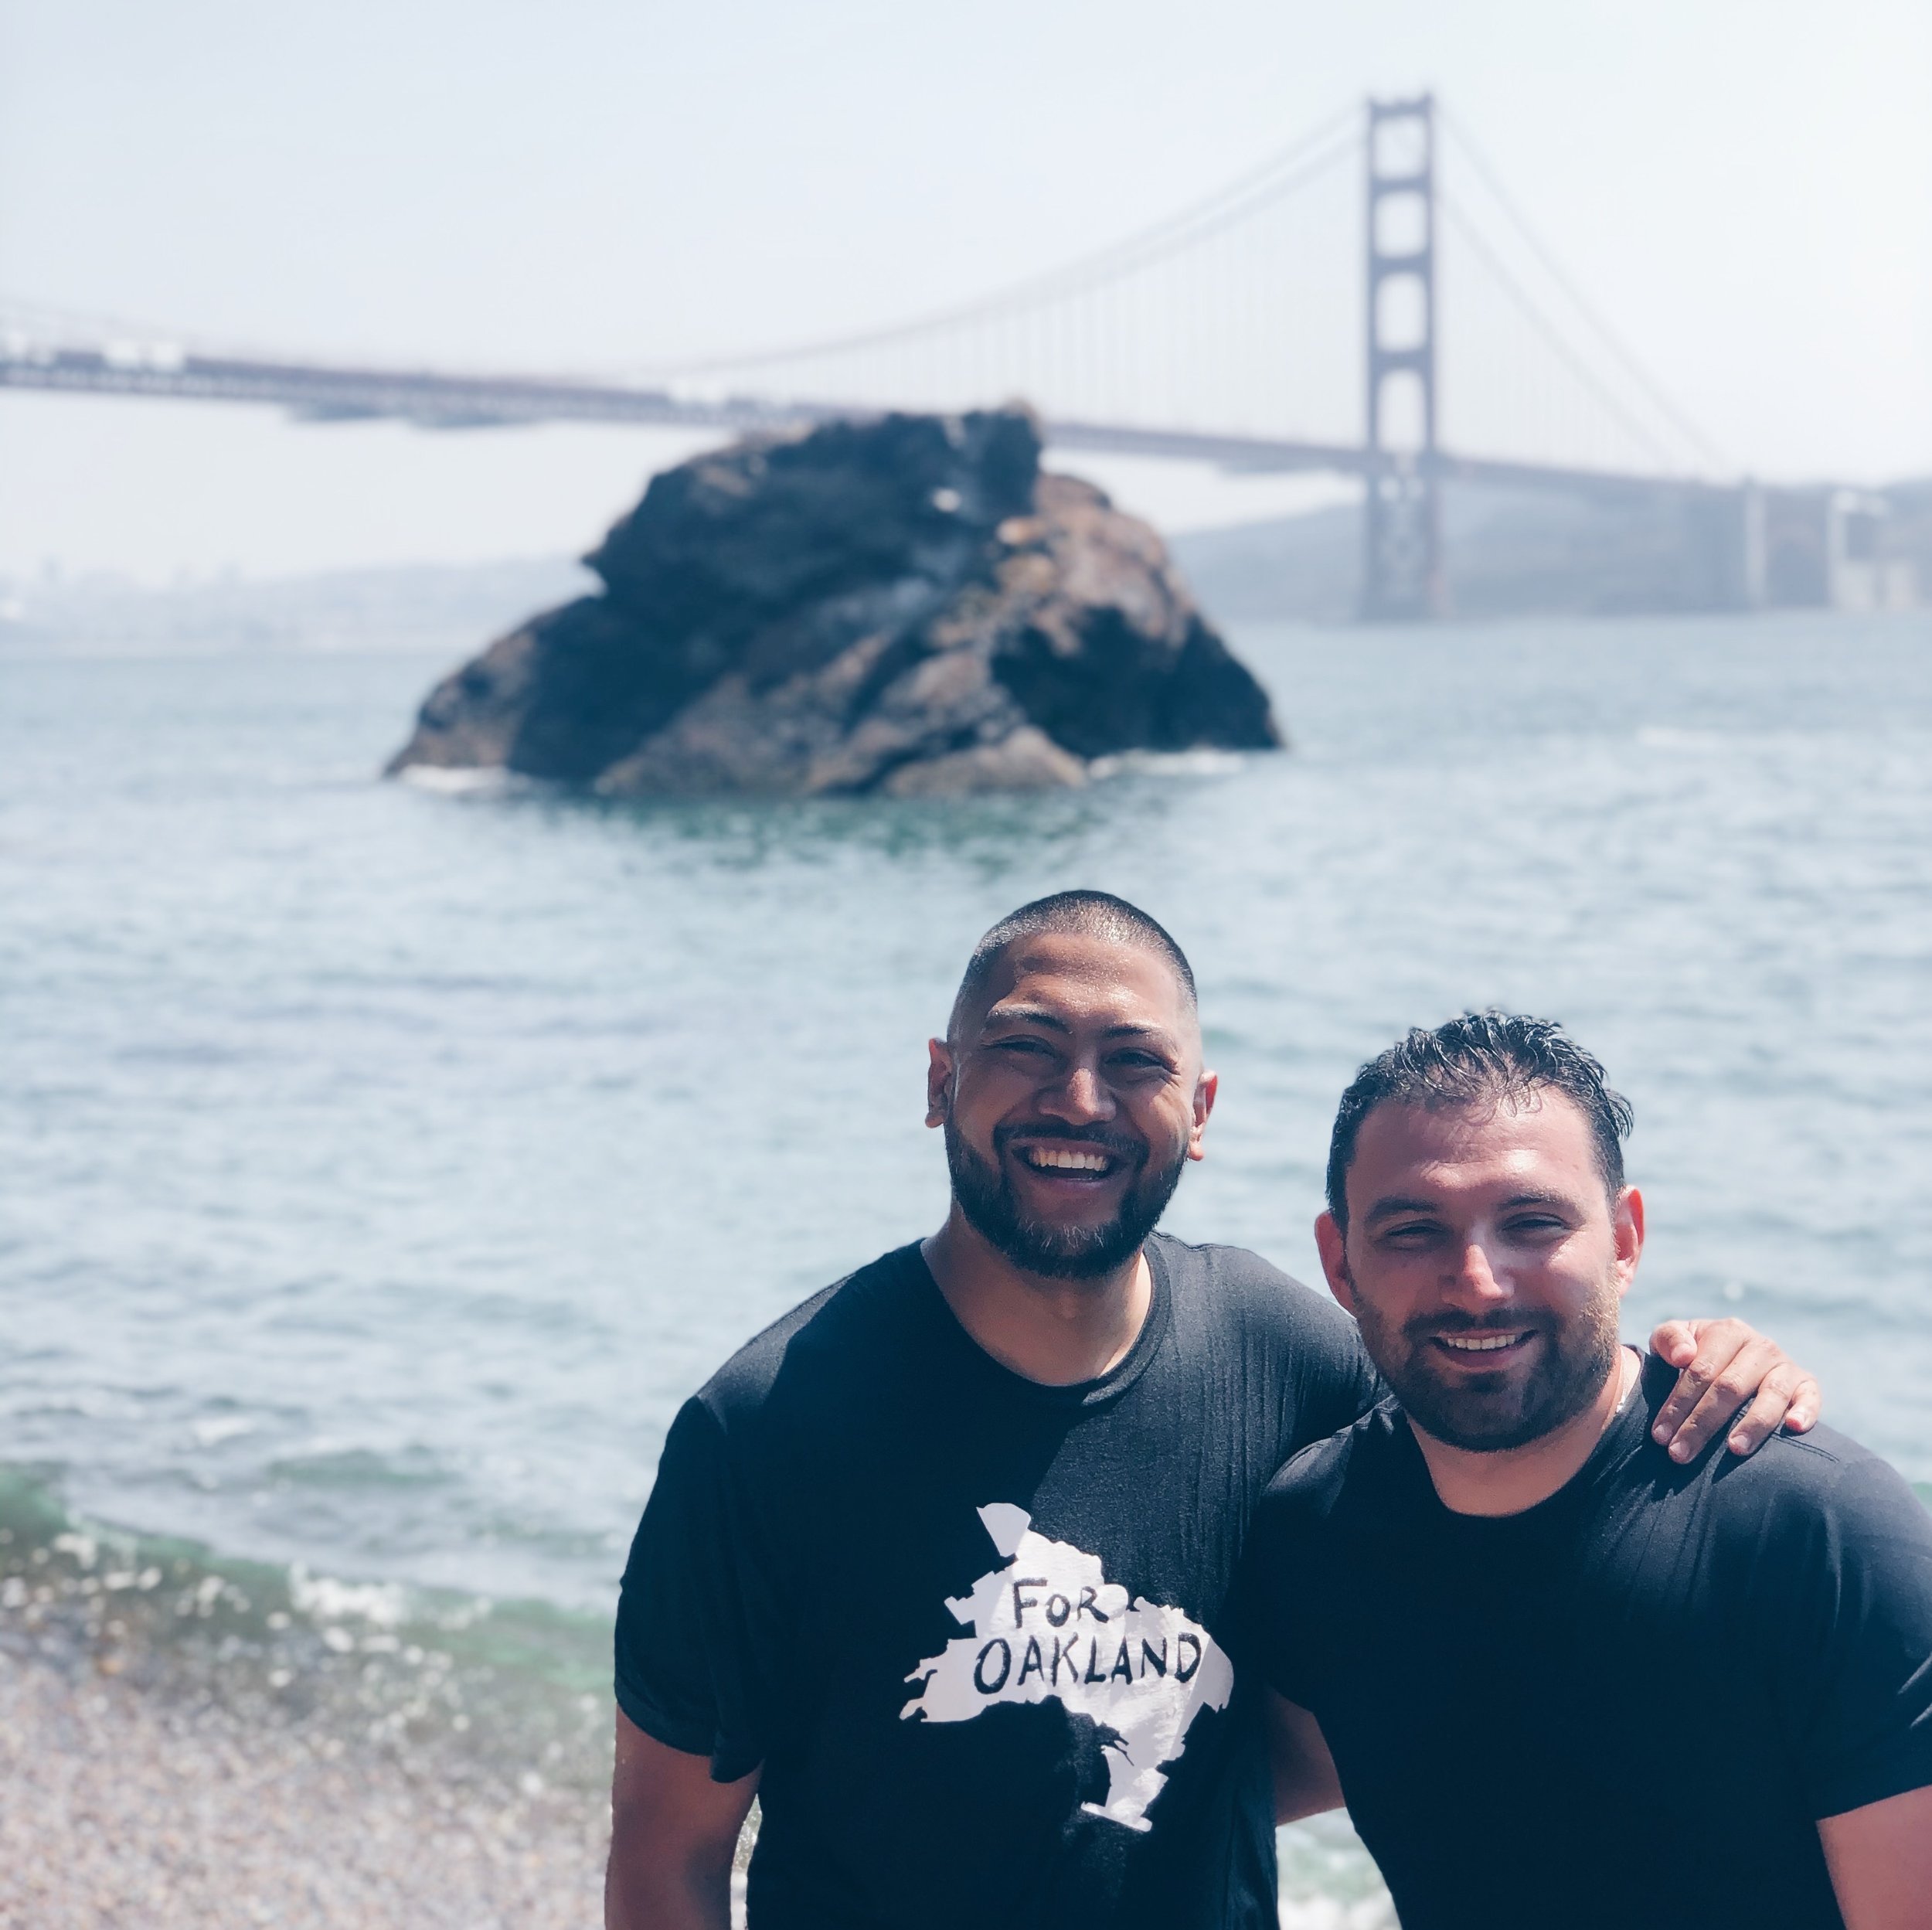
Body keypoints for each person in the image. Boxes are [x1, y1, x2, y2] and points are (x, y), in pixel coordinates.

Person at [607, 896, 1820, 1930]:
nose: (1079, 1100)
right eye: (1028, 1045)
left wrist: (1699, 1365)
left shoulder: (1288, 1354)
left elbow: (1514, 1449)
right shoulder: (766, 1428)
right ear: (940, 1081)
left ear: (1202, 1110)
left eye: (1136, 1061)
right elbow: (668, 1858)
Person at [1246, 1013, 1932, 1930]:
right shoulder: (1314, 1535)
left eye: (1532, 1223)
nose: (1478, 1280)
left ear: (1624, 1240)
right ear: (1338, 1260)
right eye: (1413, 1231)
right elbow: (1181, 1787)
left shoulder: (1817, 1534)